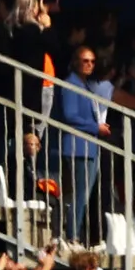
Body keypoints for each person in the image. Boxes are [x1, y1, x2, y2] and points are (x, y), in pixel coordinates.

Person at [43, 42, 115, 245]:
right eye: (85, 61)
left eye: (92, 61)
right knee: (79, 194)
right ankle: (72, 235)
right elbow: (70, 115)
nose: (89, 65)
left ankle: (74, 233)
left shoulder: (84, 85)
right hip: (78, 148)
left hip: (88, 148)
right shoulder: (71, 84)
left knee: (84, 194)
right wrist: (96, 127)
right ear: (75, 62)